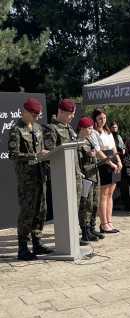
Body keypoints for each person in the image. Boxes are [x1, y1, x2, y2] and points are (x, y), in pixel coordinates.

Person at [8, 98, 52, 260]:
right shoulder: (16, 130)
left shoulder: (39, 127)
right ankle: (22, 248)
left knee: (41, 210)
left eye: (38, 114)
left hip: (41, 175)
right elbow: (13, 155)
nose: (37, 117)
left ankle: (37, 243)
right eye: (34, 114)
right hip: (27, 179)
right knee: (27, 212)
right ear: (25, 111)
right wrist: (35, 155)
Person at [43, 99, 83, 207]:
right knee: (65, 208)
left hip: (75, 174)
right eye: (70, 114)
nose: (73, 117)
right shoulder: (51, 129)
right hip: (63, 177)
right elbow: (51, 155)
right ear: (60, 112)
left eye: (73, 114)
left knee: (75, 209)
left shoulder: (69, 127)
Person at [77, 117, 108, 244]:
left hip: (94, 174)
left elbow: (95, 152)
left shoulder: (89, 139)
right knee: (86, 204)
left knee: (95, 202)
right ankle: (85, 232)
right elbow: (78, 161)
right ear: (82, 128)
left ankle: (91, 228)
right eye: (89, 128)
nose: (91, 130)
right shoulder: (78, 142)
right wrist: (88, 154)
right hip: (86, 176)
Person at [93, 109, 122, 233]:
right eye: (100, 118)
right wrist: (110, 163)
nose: (102, 120)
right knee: (103, 195)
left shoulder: (108, 131)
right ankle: (103, 223)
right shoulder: (94, 132)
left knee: (111, 194)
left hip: (112, 159)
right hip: (103, 162)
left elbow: (114, 148)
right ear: (95, 119)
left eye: (104, 118)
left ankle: (109, 221)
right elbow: (99, 151)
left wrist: (119, 161)